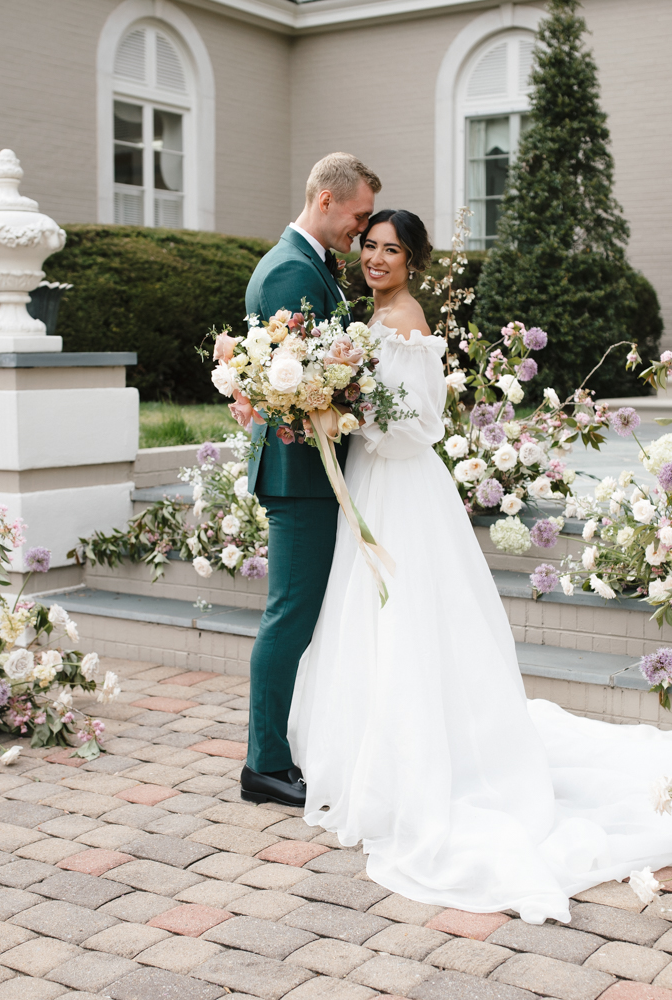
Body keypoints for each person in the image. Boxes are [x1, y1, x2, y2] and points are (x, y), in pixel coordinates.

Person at [286, 209, 672, 925]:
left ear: (412, 261)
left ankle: (417, 763)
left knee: (406, 614)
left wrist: (353, 415)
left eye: (391, 250)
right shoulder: (373, 314)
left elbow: (424, 424)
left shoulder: (407, 320)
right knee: (368, 612)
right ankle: (371, 751)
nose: (376, 258)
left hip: (401, 488)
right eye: (370, 247)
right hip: (371, 481)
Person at [234, 153, 380, 808]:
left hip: (313, 471)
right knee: (289, 617)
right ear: (325, 201)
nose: (361, 229)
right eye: (358, 217)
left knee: (300, 616)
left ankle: (286, 746)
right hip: (300, 474)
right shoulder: (291, 270)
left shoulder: (311, 263)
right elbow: (298, 383)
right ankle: (263, 764)